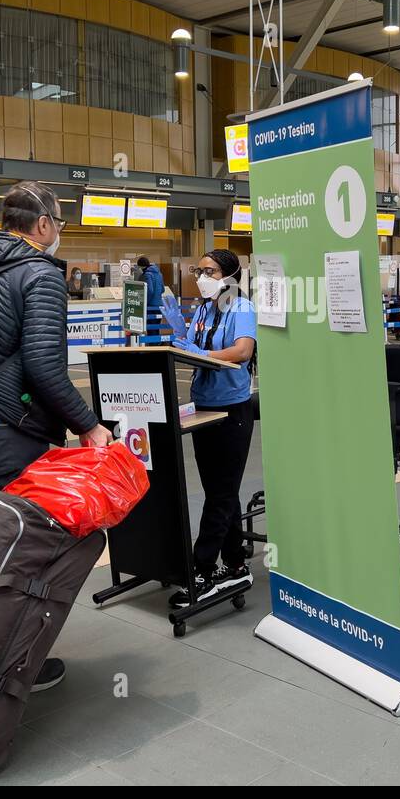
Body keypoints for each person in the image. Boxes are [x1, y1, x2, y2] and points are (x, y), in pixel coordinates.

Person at [0, 181, 112, 692]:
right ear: (45, 225)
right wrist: (89, 425)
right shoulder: (40, 274)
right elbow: (43, 367)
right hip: (7, 430)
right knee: (12, 553)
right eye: (59, 224)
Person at [158, 249, 256, 608]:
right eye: (199, 270)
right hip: (203, 405)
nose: (201, 275)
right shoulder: (203, 309)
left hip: (231, 408)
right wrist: (182, 336)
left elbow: (242, 351)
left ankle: (201, 568)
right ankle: (235, 564)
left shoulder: (240, 308)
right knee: (219, 489)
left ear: (229, 275)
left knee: (221, 492)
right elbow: (194, 346)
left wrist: (200, 355)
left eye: (209, 270)